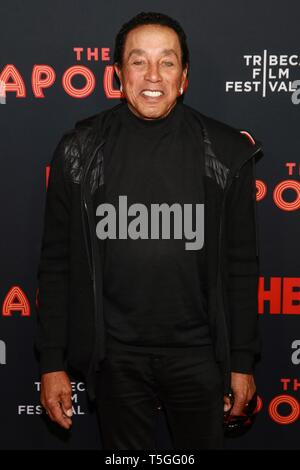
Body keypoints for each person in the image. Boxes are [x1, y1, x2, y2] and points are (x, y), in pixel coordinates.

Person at [35, 11, 263, 450]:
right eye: (138, 61)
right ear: (118, 73)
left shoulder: (227, 152)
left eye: (167, 61)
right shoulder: (79, 152)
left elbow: (241, 266)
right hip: (115, 358)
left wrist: (241, 362)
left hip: (200, 356)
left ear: (185, 75)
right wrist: (51, 361)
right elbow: (55, 265)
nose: (153, 75)